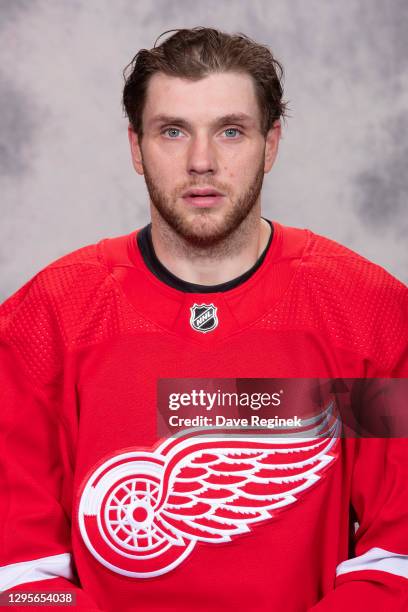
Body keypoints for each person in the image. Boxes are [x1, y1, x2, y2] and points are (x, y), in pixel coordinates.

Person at [0, 26, 407, 611]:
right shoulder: (46, 321)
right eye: (173, 131)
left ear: (271, 144)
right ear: (137, 148)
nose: (201, 161)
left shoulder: (369, 316)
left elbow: (397, 554)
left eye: (231, 132)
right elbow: (20, 573)